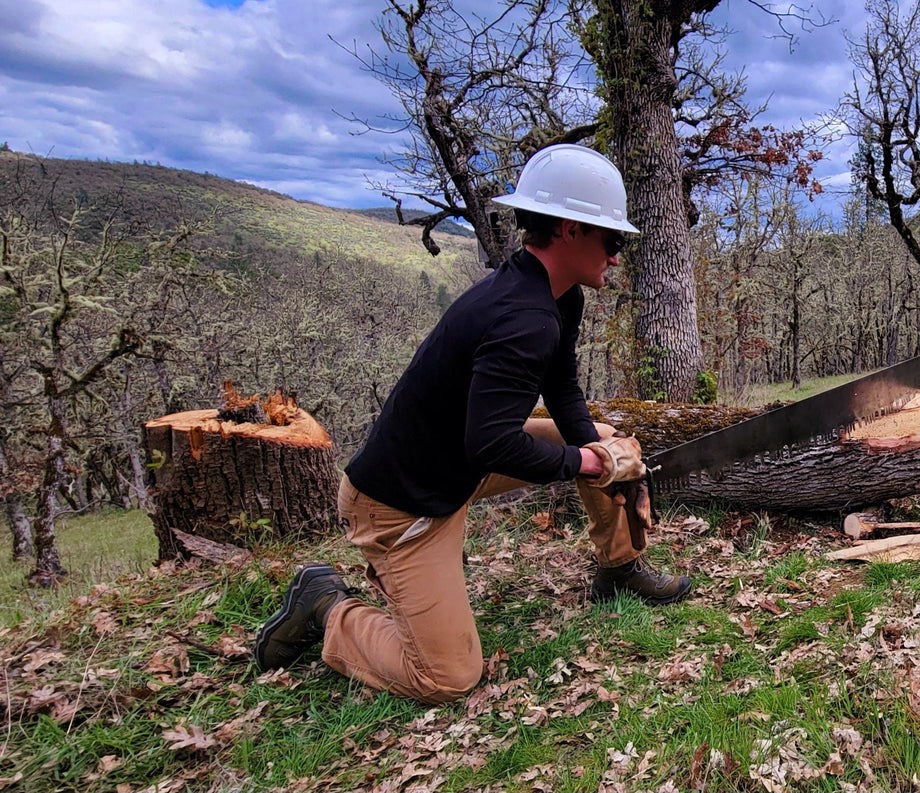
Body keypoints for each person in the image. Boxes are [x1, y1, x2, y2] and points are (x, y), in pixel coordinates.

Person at [252, 144, 692, 705]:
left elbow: (560, 388)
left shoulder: (556, 298)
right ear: (567, 229)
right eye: (612, 239)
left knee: (610, 444)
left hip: (461, 465)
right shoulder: (522, 317)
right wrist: (584, 462)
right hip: (401, 503)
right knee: (447, 677)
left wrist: (595, 450)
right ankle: (327, 607)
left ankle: (619, 568)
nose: (617, 254)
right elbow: (491, 443)